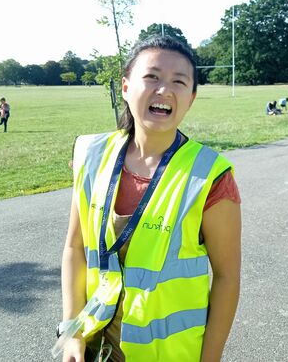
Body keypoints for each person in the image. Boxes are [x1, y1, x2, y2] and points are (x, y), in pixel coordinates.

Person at [59, 35, 242, 362]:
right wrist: (72, 330)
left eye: (179, 81)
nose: (164, 90)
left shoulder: (211, 176)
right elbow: (75, 248)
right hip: (94, 347)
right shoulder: (92, 155)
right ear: (126, 87)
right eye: (152, 76)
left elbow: (227, 278)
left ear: (191, 98)